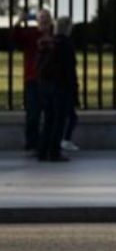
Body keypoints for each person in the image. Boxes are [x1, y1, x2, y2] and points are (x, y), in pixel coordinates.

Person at [36, 17, 76, 163]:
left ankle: (42, 150)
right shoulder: (66, 45)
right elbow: (69, 71)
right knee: (59, 121)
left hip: (45, 86)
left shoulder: (48, 44)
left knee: (48, 120)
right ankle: (54, 152)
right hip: (61, 87)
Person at [19, 9, 52, 152]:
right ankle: (32, 143)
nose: (43, 21)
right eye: (41, 18)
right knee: (33, 114)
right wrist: (20, 22)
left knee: (50, 114)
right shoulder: (31, 35)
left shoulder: (53, 36)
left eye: (46, 18)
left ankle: (44, 142)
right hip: (32, 79)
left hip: (49, 80)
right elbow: (16, 38)